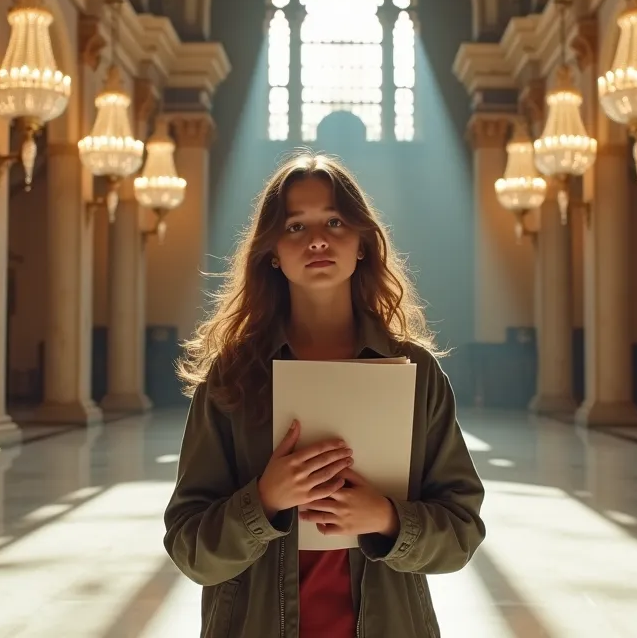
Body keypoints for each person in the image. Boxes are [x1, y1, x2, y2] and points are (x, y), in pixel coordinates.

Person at [163, 151, 486, 638]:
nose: (317, 239)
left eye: (335, 221)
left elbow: (462, 533)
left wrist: (387, 519)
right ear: (272, 251)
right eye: (295, 226)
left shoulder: (416, 372)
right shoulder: (233, 374)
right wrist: (264, 500)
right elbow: (191, 550)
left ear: (362, 244)